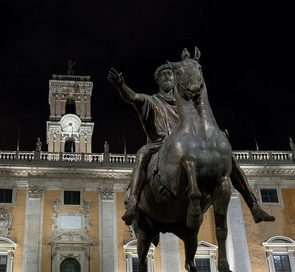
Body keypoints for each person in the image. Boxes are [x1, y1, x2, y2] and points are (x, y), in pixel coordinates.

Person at [108, 65, 275, 225]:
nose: (167, 76)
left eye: (169, 74)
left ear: (175, 79)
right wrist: (121, 85)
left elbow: (203, 124)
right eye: (163, 74)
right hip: (160, 145)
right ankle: (133, 203)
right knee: (141, 154)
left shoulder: (187, 105)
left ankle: (253, 205)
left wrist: (216, 133)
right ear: (158, 80)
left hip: (187, 144)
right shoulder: (151, 101)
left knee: (228, 159)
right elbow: (132, 97)